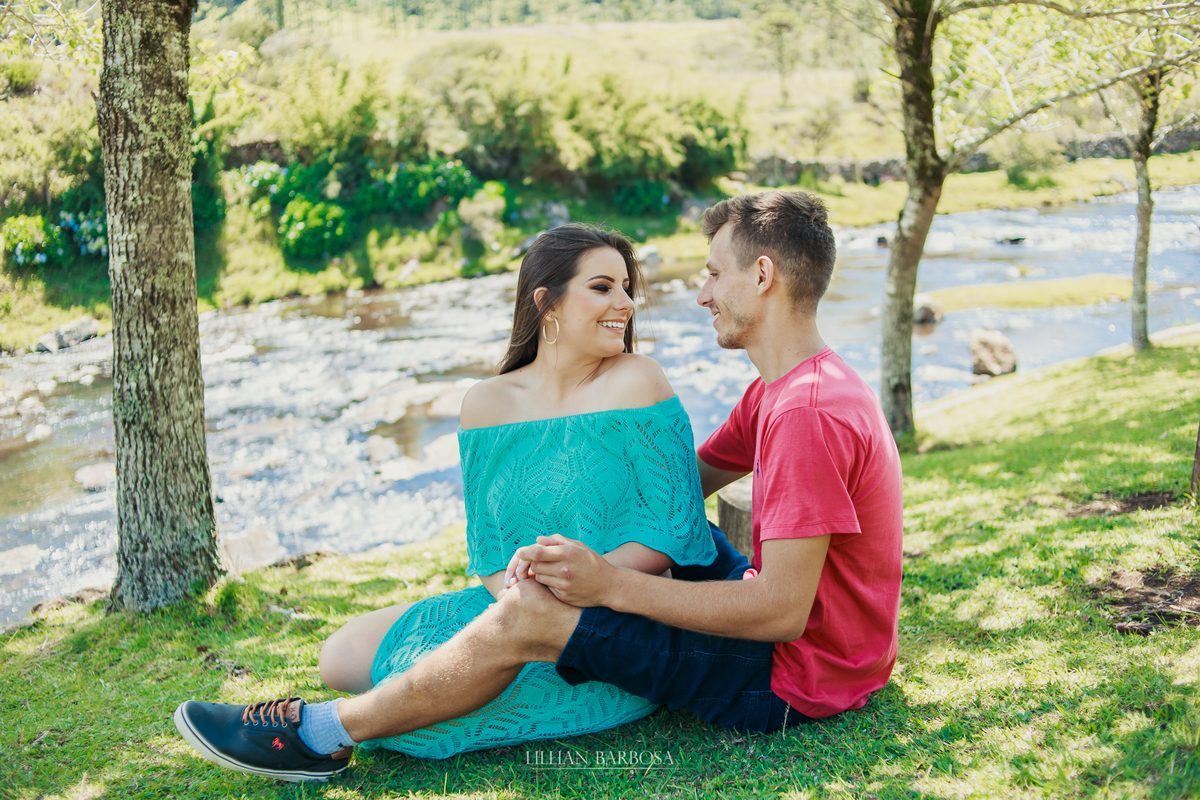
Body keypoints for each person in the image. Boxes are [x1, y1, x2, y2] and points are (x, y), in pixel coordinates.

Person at [174, 190, 904, 783]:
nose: (702, 291)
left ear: (764, 277)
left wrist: (604, 586)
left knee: (533, 619)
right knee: (495, 617)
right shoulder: (785, 391)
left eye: (715, 273)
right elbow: (686, 479)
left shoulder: (806, 412)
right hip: (808, 653)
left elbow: (779, 611)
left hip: (793, 680)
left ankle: (317, 736)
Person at [173, 223, 719, 780]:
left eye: (627, 288)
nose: (625, 304)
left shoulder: (638, 380)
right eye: (603, 287)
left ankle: (317, 733)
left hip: (615, 616)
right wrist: (515, 593)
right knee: (338, 656)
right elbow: (489, 549)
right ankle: (426, 688)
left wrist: (590, 577)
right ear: (546, 302)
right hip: (514, 604)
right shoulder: (485, 405)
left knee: (420, 706)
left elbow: (673, 529)